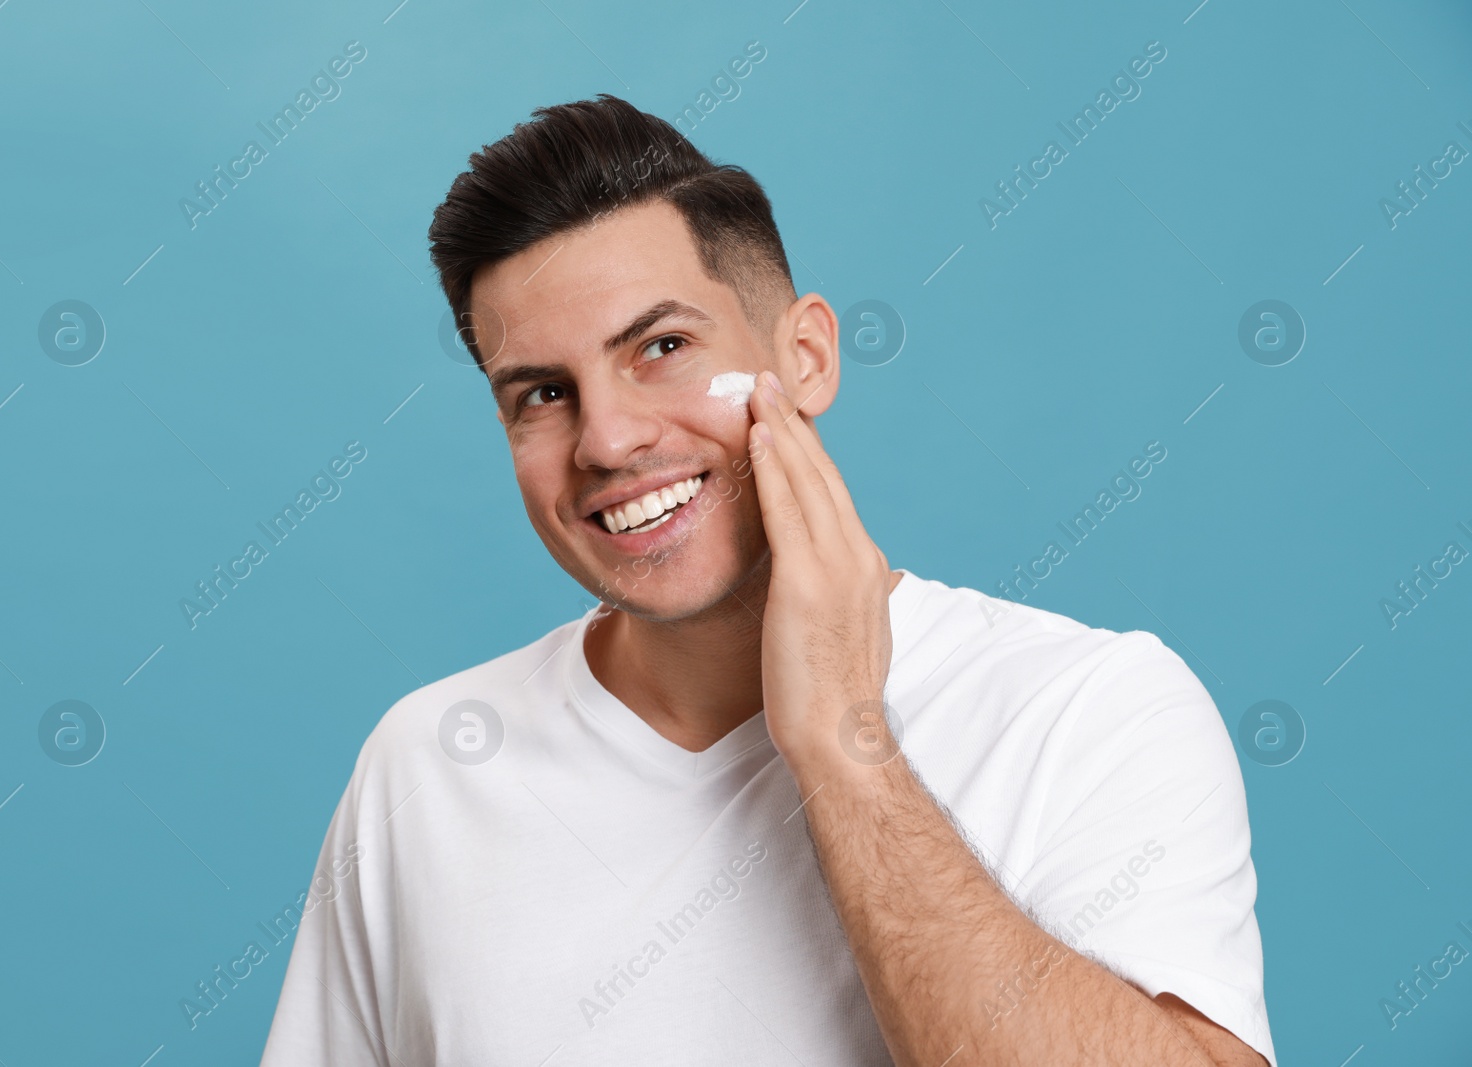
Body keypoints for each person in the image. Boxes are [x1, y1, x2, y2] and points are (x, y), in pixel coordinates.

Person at [259, 94, 1275, 1066]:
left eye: (661, 346)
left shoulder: (1088, 712)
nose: (607, 439)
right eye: (543, 393)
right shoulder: (426, 765)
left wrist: (844, 740)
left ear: (806, 356)